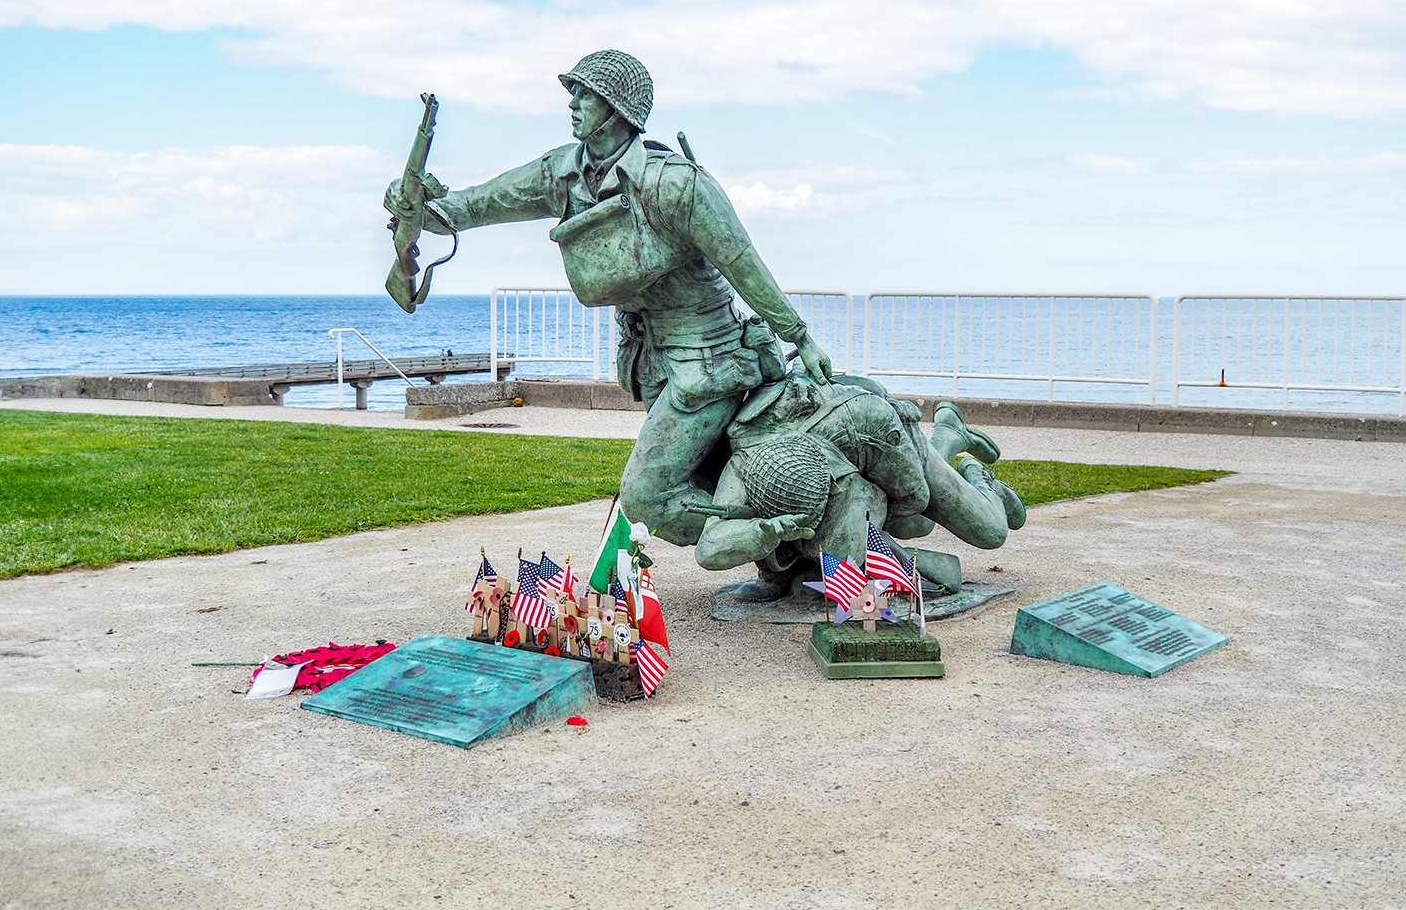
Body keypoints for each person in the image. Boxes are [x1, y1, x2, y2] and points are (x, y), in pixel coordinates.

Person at [386, 50, 833, 546]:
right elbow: (469, 208)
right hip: (648, 361)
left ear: (618, 108)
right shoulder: (562, 172)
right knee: (707, 473)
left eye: (586, 94)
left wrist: (801, 338)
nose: (573, 104)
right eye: (573, 93)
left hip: (709, 358)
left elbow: (743, 263)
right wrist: (419, 207)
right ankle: (787, 559)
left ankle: (795, 538)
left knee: (647, 498)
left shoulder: (676, 184)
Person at [692, 370, 1026, 601]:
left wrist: (885, 543)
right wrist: (764, 530)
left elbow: (913, 497)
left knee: (984, 530)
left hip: (892, 444)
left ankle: (970, 465)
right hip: (845, 467)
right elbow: (709, 548)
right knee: (842, 543)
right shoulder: (745, 463)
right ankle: (951, 436)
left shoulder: (860, 419)